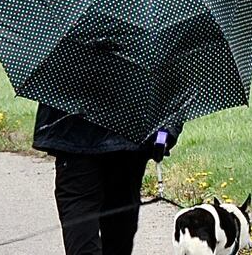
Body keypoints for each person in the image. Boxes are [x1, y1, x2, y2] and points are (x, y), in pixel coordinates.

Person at [33, 102, 182, 255]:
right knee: (117, 219)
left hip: (77, 134)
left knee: (88, 216)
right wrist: (165, 133)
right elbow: (173, 88)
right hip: (125, 135)